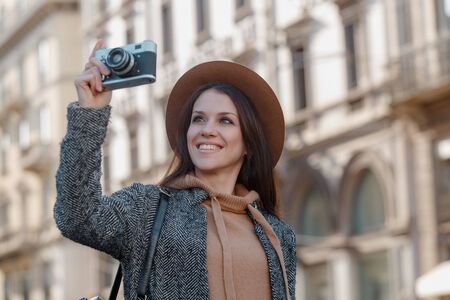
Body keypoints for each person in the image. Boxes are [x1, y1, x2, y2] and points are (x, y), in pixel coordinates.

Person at [54, 40, 296, 300]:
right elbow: (77, 218)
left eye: (225, 120)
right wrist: (90, 112)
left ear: (248, 142)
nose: (207, 130)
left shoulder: (279, 235)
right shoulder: (148, 208)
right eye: (198, 119)